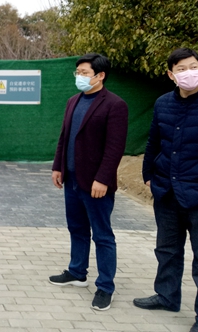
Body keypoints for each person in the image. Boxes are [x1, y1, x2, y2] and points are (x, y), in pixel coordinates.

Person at [133, 48, 198, 332]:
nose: (189, 72)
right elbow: (154, 141)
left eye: (194, 66)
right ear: (171, 74)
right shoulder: (163, 103)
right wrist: (148, 176)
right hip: (166, 190)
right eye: (181, 69)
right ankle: (166, 296)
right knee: (167, 249)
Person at [49, 53, 128, 312]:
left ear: (100, 75)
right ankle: (77, 272)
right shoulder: (73, 101)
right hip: (72, 179)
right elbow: (64, 137)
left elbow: (115, 148)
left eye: (85, 73)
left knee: (102, 235)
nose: (80, 77)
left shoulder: (115, 105)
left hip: (96, 184)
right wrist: (58, 167)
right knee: (77, 228)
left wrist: (102, 179)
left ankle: (105, 287)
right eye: (78, 72)